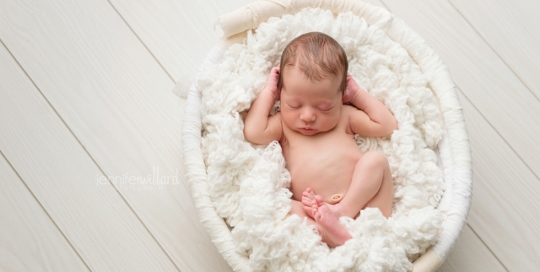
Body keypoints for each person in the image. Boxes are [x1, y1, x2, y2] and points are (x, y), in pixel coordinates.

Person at [243, 32, 398, 247]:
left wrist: (357, 95)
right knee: (282, 207)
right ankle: (333, 235)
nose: (307, 116)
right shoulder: (283, 125)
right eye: (294, 105)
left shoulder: (345, 115)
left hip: (368, 206)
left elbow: (387, 125)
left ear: (341, 96)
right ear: (281, 95)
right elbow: (254, 131)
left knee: (376, 160)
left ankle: (342, 214)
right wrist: (268, 93)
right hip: (315, 210)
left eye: (324, 107)